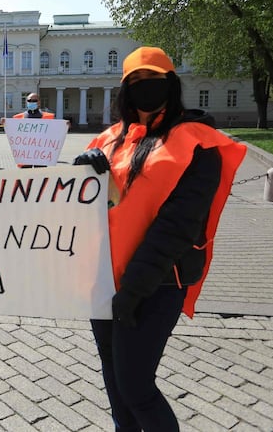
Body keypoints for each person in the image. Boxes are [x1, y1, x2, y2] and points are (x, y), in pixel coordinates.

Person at [73, 47, 246, 431]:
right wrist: (80, 170)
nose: (143, 88)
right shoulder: (108, 138)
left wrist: (132, 291)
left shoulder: (199, 142)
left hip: (156, 285)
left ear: (171, 84)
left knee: (136, 387)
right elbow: (78, 207)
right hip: (103, 282)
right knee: (116, 386)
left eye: (151, 79)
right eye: (134, 82)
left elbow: (178, 226)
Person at [1, 92, 55, 168]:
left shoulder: (49, 117)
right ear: (26, 102)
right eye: (29, 100)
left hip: (41, 155)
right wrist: (5, 123)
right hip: (25, 155)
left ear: (39, 102)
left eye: (34, 100)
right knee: (25, 177)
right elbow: (13, 134)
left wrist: (66, 125)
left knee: (39, 177)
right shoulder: (17, 118)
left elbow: (55, 133)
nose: (32, 102)